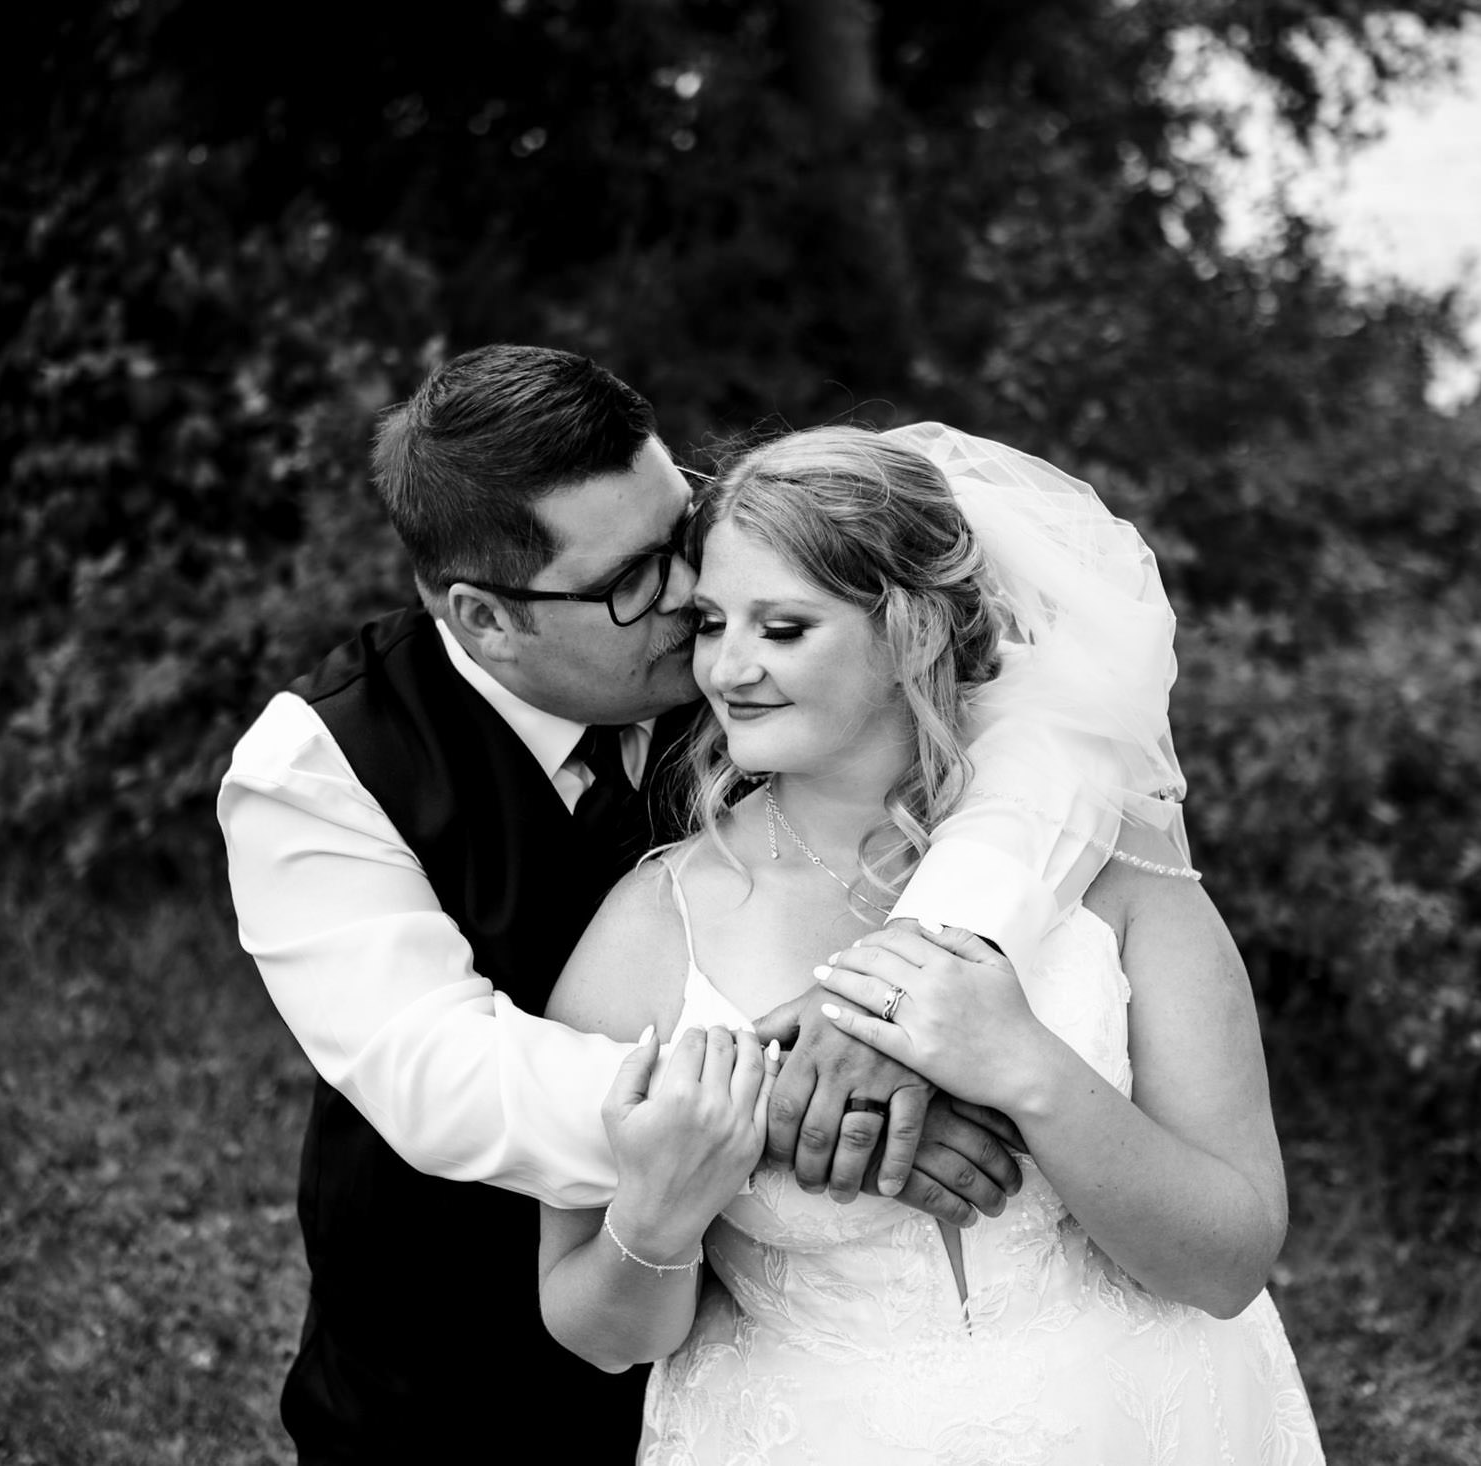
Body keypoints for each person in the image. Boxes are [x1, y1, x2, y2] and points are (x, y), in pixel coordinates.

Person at [218, 347, 1176, 1461]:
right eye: (633, 579)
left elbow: (1056, 733)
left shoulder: (764, 653)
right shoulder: (316, 769)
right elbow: (441, 1076)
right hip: (458, 1342)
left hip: (765, 1355)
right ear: (485, 618)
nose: (690, 597)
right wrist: (813, 1093)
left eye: (680, 531)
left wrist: (918, 951)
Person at [538, 424, 1323, 1463]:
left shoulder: (1113, 871)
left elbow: (1229, 1262)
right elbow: (595, 1330)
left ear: (909, 632)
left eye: (783, 627)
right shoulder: (652, 925)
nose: (727, 668)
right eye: (713, 622)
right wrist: (663, 1209)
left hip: (1144, 1420)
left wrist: (1028, 1070)